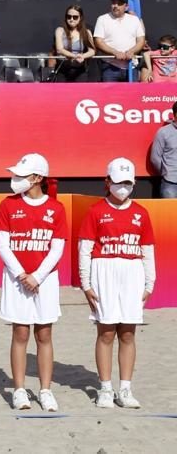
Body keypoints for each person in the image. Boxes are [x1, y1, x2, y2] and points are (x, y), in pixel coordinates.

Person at [79, 157, 156, 410]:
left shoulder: (141, 213)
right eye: (118, 182)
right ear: (107, 182)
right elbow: (85, 249)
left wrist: (149, 281)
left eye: (128, 183)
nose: (123, 187)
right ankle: (105, 388)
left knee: (128, 333)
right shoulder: (96, 212)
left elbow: (147, 249)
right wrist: (86, 282)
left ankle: (125, 389)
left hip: (132, 273)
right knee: (106, 332)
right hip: (104, 271)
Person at [0, 154, 68, 412]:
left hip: (44, 279)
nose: (14, 180)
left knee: (44, 333)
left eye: (20, 176)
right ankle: (19, 390)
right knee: (21, 332)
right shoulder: (7, 205)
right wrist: (22, 274)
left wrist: (37, 276)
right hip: (17, 280)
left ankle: (45, 390)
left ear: (37, 178)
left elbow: (57, 248)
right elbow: (2, 245)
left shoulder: (56, 208)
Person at [93, 0, 146, 82]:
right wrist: (115, 52)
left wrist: (131, 51)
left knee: (132, 95)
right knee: (109, 96)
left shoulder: (134, 20)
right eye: (114, 3)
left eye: (120, 4)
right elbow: (98, 41)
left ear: (126, 7)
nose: (116, 6)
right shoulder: (102, 19)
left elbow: (141, 40)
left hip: (131, 66)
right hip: (110, 66)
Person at [51, 5, 96, 82]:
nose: (71, 19)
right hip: (63, 69)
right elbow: (59, 49)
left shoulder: (86, 32)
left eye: (75, 17)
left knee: (80, 93)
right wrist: (75, 56)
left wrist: (83, 56)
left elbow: (92, 51)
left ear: (80, 18)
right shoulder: (60, 30)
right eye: (69, 17)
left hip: (79, 70)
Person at [149, 102, 177, 197]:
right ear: (176, 114)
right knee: (170, 212)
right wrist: (166, 172)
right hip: (171, 183)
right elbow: (155, 158)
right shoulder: (163, 132)